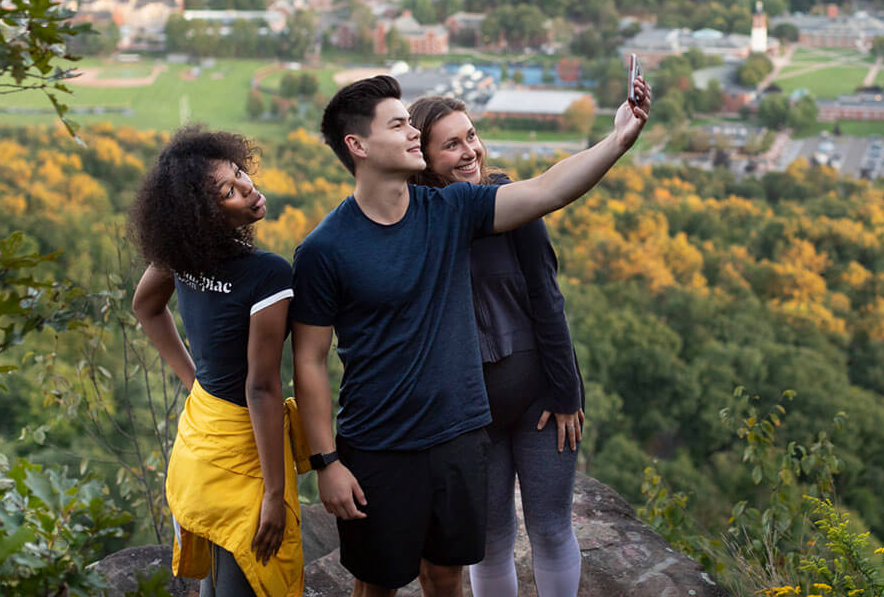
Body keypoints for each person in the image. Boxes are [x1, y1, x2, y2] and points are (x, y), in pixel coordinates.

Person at [291, 75, 650, 597]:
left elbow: (547, 188)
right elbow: (309, 361)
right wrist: (326, 462)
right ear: (358, 145)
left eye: (413, 125)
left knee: (447, 576)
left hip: (459, 437)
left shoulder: (451, 213)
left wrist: (618, 140)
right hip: (380, 445)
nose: (413, 133)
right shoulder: (325, 249)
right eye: (399, 125)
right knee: (379, 583)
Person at [408, 96, 584, 597]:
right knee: (489, 540)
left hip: (539, 402)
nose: (470, 151)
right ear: (421, 155)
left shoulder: (510, 201)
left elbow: (548, 298)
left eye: (471, 136)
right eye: (451, 144)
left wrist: (566, 392)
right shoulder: (416, 223)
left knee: (550, 527)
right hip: (470, 413)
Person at [130, 126, 309, 597]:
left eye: (238, 173)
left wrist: (195, 381)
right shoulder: (267, 274)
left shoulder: (182, 255)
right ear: (203, 217)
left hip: (197, 445)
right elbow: (261, 388)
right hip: (246, 457)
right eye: (228, 191)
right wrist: (274, 494)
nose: (247, 186)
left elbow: (145, 306)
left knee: (210, 588)